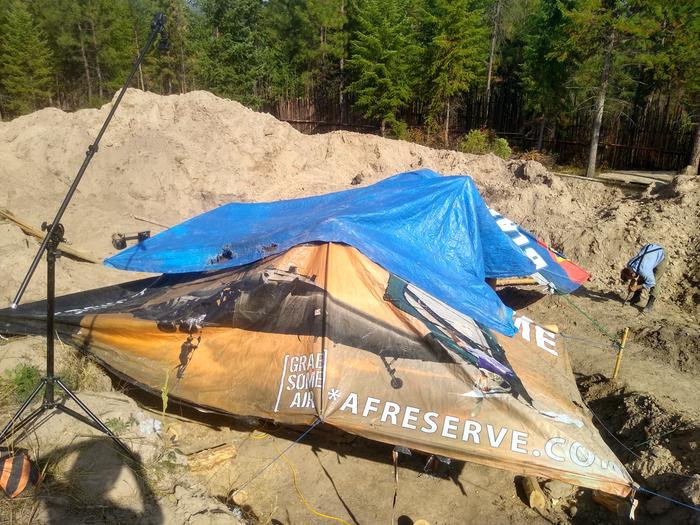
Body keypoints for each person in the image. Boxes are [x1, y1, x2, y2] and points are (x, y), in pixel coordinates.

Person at [620, 243, 667, 312]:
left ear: (632, 274)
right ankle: (636, 298)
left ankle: (650, 304)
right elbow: (635, 276)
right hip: (650, 250)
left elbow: (651, 283)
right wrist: (631, 285)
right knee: (641, 276)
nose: (631, 280)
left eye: (630, 278)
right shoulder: (629, 264)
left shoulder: (644, 270)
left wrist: (636, 287)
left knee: (655, 279)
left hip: (661, 253)